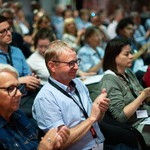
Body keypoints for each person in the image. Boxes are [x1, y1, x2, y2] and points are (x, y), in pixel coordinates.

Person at [32, 40, 110, 150]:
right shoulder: (45, 99)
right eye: (70, 63)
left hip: (101, 144)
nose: (76, 67)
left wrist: (100, 111)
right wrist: (91, 118)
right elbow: (59, 144)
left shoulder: (77, 82)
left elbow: (96, 120)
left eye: (76, 61)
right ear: (52, 66)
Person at [0, 63, 70, 150]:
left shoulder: (18, 114)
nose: (19, 94)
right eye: (10, 89)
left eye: (18, 87)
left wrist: (53, 144)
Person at [99, 38, 150, 147]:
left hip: (146, 116)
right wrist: (142, 96)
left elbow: (143, 97)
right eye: (126, 54)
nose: (131, 56)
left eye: (131, 52)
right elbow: (121, 116)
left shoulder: (128, 72)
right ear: (114, 57)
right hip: (135, 126)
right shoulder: (109, 80)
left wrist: (146, 96)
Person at [0, 15, 40, 123]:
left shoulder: (17, 51)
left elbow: (28, 75)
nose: (8, 33)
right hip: (8, 100)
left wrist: (32, 80)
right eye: (2, 31)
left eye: (9, 29)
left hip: (26, 94)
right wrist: (20, 81)